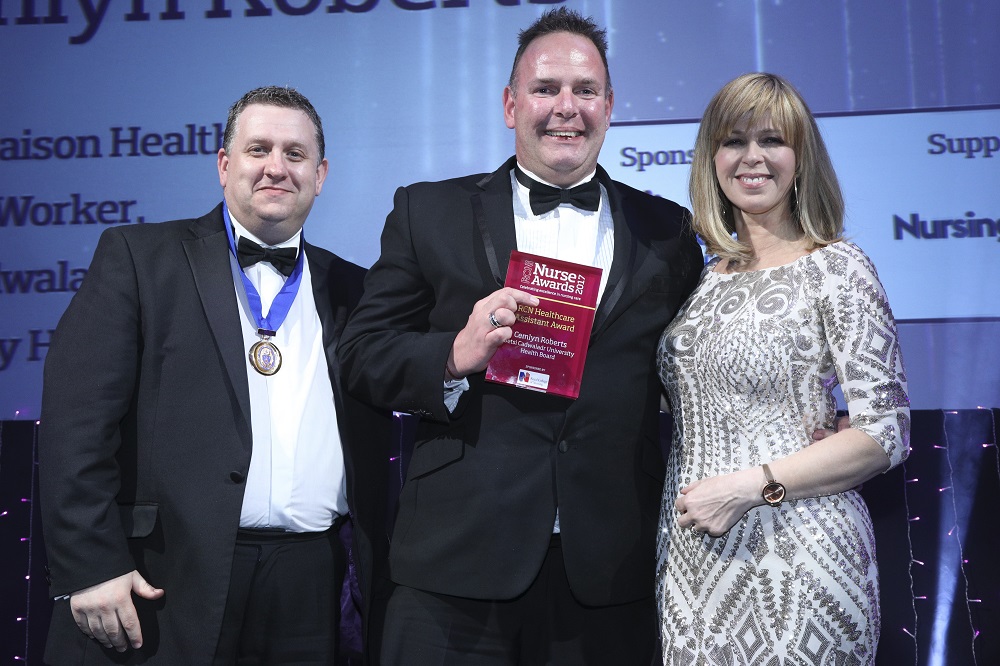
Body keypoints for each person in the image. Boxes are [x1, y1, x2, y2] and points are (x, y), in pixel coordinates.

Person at [337, 8, 705, 665]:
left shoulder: (668, 230)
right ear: (511, 105)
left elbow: (698, 374)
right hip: (455, 566)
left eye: (585, 90)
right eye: (546, 89)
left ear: (610, 106)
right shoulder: (429, 211)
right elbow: (361, 355)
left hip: (610, 570)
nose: (567, 107)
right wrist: (454, 354)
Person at [38, 86, 389, 665]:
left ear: (321, 174)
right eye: (258, 149)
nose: (277, 167)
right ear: (224, 165)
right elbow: (75, 426)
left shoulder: (358, 288)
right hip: (166, 577)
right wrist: (90, 565)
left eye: (296, 154)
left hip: (314, 579)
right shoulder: (138, 257)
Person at [655, 72, 911, 664]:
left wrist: (749, 487)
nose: (751, 158)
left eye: (771, 140)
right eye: (733, 141)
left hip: (802, 555)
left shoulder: (838, 269)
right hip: (693, 564)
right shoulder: (701, 278)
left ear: (801, 157)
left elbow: (886, 433)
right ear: (710, 157)